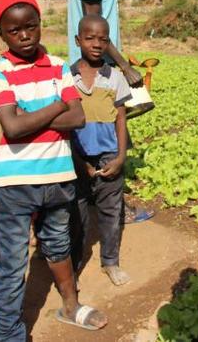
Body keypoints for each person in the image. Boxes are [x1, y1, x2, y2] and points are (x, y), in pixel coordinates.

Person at [0, 0, 107, 338]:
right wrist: (57, 106)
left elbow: (78, 117)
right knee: (12, 260)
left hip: (58, 177)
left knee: (58, 245)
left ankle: (70, 306)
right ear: (1, 33)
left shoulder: (57, 66)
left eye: (31, 27)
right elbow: (12, 125)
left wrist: (34, 115)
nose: (24, 36)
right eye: (14, 30)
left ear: (40, 24)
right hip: (16, 182)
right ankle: (8, 333)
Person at [68, 0, 153, 225]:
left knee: (96, 136)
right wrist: (123, 66)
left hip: (96, 65)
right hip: (97, 67)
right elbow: (95, 26)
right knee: (109, 138)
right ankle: (113, 209)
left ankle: (101, 204)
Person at [69, 14, 133, 286]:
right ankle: (73, 265)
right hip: (76, 156)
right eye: (90, 37)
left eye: (103, 39)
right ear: (78, 40)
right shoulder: (66, 76)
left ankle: (110, 262)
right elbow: (63, 123)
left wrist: (121, 156)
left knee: (110, 210)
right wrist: (76, 159)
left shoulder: (115, 77)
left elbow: (121, 118)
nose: (96, 43)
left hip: (108, 155)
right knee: (76, 214)